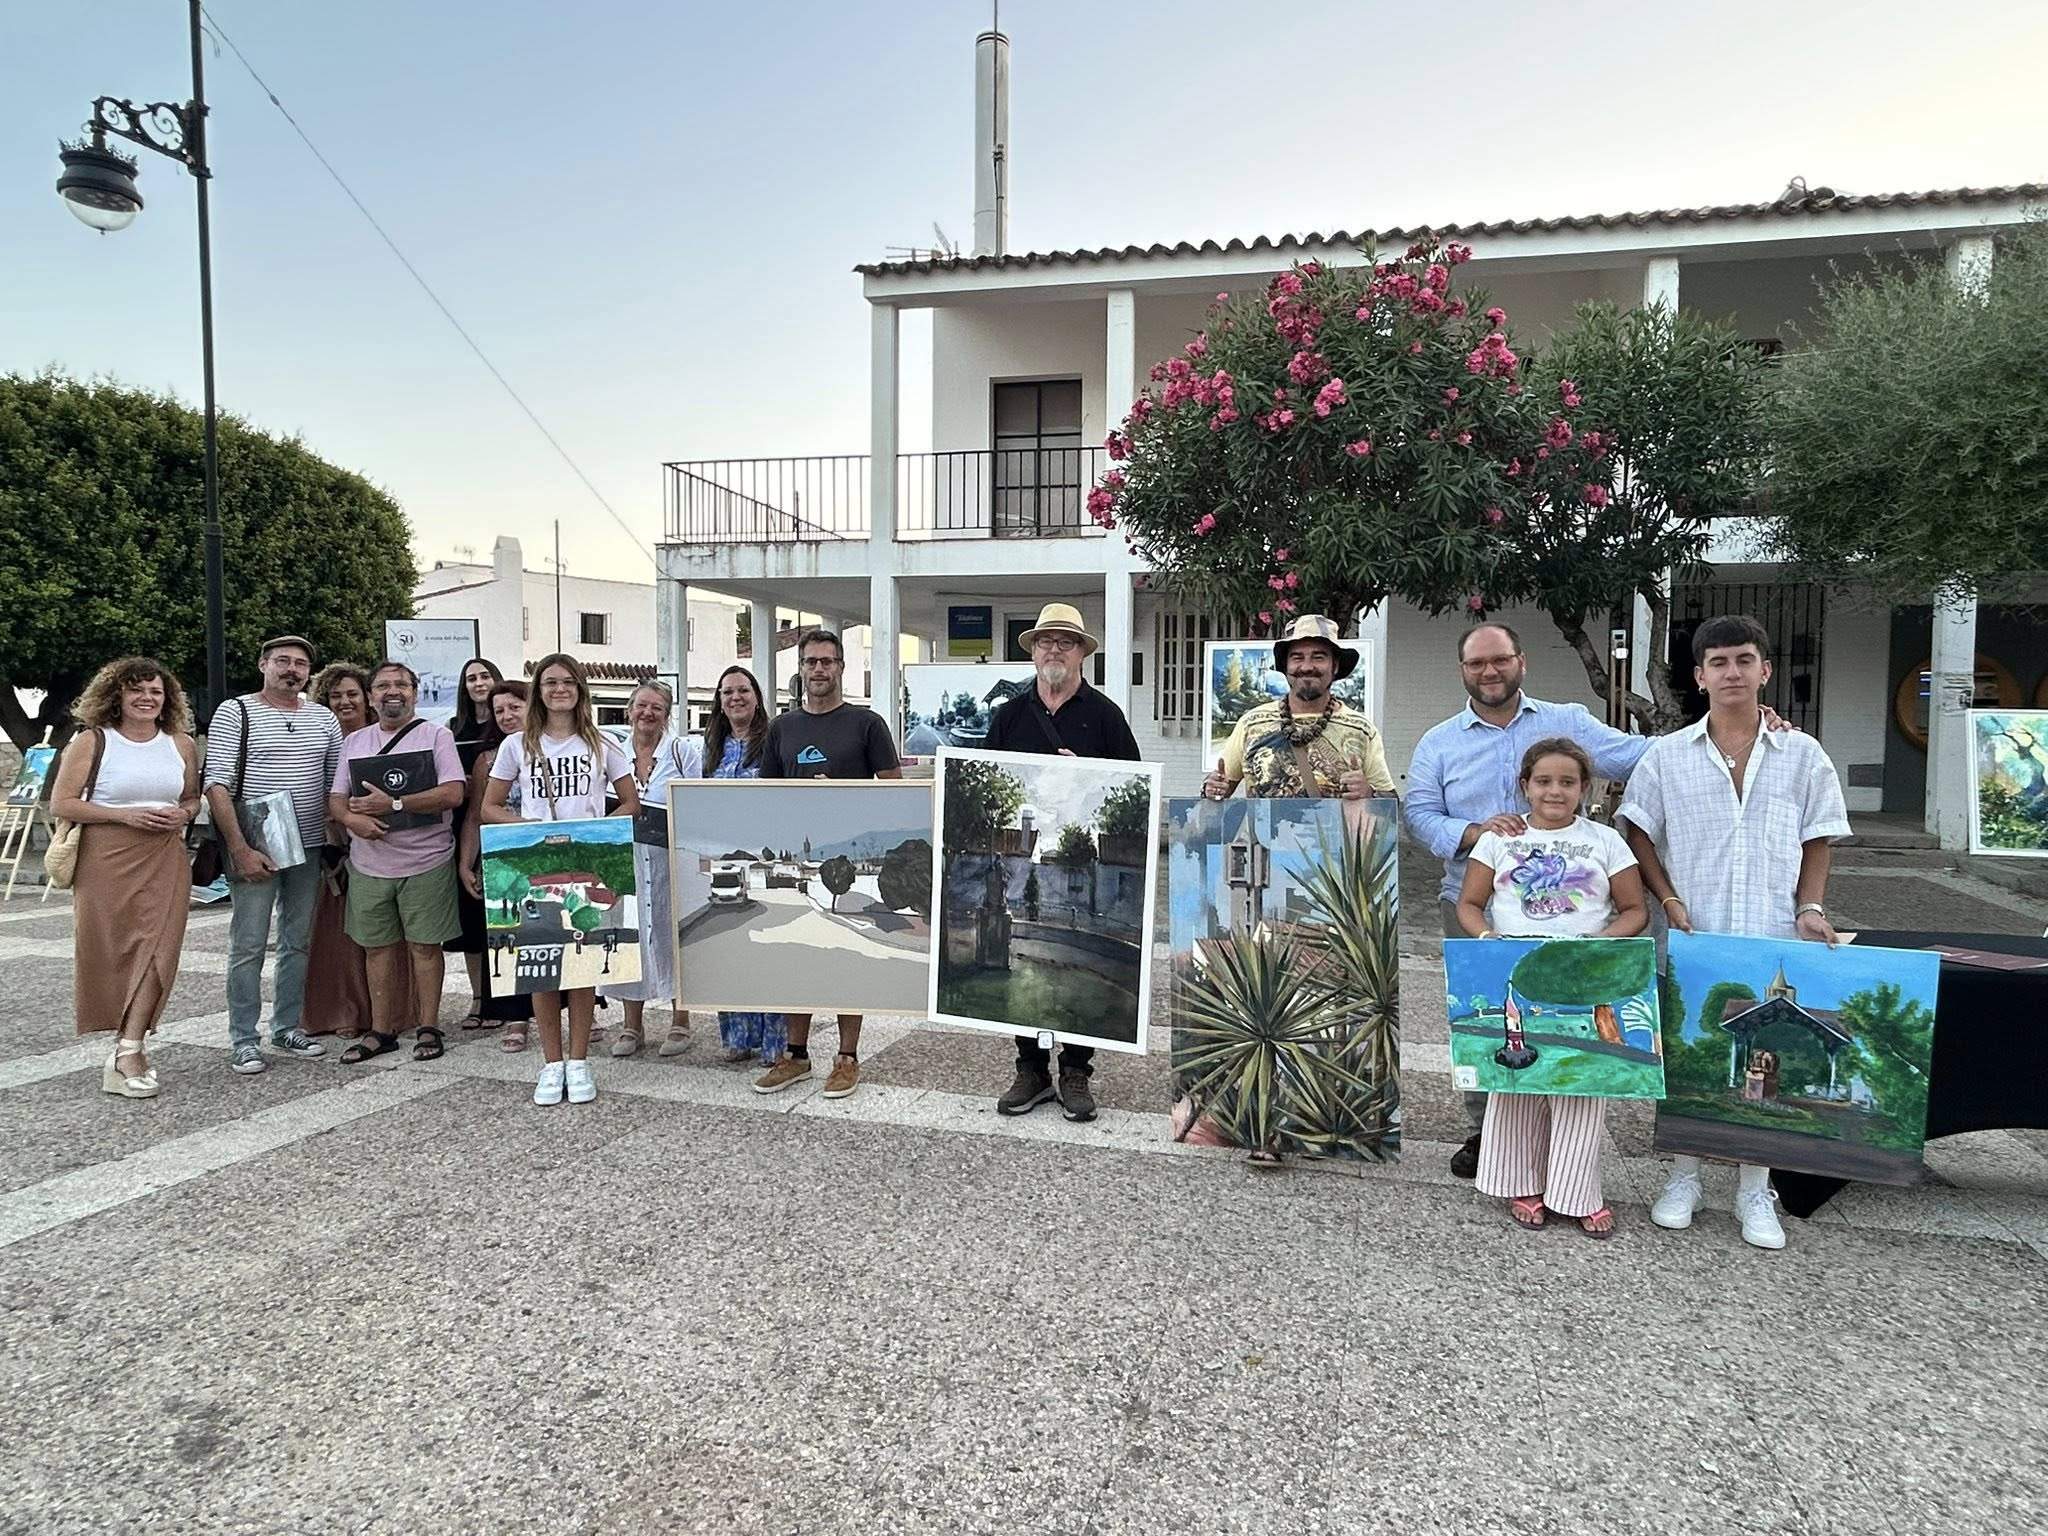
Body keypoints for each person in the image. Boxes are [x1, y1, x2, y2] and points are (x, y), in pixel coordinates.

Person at [1618, 614, 1850, 1251]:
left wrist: (1811, 906)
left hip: (1774, 933)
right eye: (1718, 663)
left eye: (1744, 660)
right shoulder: (1668, 756)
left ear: (1764, 670)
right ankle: (1684, 1174)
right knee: (1693, 1054)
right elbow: (1637, 830)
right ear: (1699, 676)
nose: (1732, 673)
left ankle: (1756, 1185)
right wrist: (1666, 896)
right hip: (1698, 933)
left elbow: (1819, 836)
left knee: (1765, 1061)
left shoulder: (1802, 754)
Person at [1405, 622, 1656, 1180]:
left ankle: (1563, 1130)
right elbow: (1419, 813)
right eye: (1476, 664)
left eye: (1499, 660)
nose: (1489, 672)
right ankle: (1487, 1132)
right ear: (1463, 671)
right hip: (1472, 904)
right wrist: (1479, 834)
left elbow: (1642, 756)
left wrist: (1731, 727)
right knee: (1484, 1018)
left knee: (1567, 1013)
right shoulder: (1440, 742)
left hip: (1571, 916)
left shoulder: (1566, 722)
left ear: (1521, 661)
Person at [1455, 738, 1647, 1238]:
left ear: (1585, 788)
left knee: (1580, 1083)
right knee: (1517, 1084)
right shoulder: (1499, 841)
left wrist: (1595, 946)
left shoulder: (1607, 841)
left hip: (1582, 973)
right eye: (1544, 781)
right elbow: (1469, 903)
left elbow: (1634, 911)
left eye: (1567, 782)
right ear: (1526, 785)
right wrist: (1486, 938)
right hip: (1515, 970)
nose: (1555, 791)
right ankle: (1519, 1181)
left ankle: (1576, 1191)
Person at [983, 603, 1141, 1124]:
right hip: (1020, 855)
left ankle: (1075, 1072)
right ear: (1033, 653)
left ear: (1081, 654)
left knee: (1071, 981)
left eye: (1065, 642)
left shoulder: (1105, 716)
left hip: (1077, 849)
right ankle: (1030, 1069)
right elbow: (988, 784)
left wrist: (1089, 775)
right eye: (1045, 641)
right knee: (1014, 958)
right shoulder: (1008, 716)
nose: (1054, 649)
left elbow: (1133, 789)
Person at [752, 629, 902, 1100]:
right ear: (800, 669)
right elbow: (766, 796)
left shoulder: (867, 724)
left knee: (845, 959)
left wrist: (843, 795)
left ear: (841, 667)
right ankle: (795, 1055)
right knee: (798, 956)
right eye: (811, 661)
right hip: (799, 860)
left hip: (850, 861)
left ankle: (846, 1058)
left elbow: (895, 790)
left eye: (828, 661)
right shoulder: (782, 729)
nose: (819, 669)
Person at [482, 653, 638, 1106]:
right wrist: (531, 829)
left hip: (587, 861)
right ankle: (551, 1062)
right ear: (539, 691)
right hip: (536, 864)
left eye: (568, 681)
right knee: (541, 964)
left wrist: (594, 833)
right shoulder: (518, 745)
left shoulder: (604, 743)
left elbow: (630, 802)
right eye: (550, 682)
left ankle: (579, 1059)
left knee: (583, 965)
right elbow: (489, 807)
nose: (559, 689)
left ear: (580, 689)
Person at [50, 658, 202, 1099]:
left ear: (167, 698)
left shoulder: (180, 744)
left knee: (159, 951)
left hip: (165, 856)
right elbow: (62, 803)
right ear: (116, 695)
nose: (147, 698)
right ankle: (122, 1045)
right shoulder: (92, 741)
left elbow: (192, 797)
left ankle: (130, 1047)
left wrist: (184, 813)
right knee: (115, 950)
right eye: (136, 690)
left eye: (155, 691)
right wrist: (126, 815)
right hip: (106, 860)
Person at [203, 635, 342, 1075]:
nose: (292, 670)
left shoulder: (324, 718)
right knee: (248, 945)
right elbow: (217, 784)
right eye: (282, 661)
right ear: (263, 664)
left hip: (309, 845)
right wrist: (240, 848)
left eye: (301, 663)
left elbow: (334, 784)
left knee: (297, 941)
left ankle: (286, 1025)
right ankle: (244, 1038)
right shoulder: (236, 711)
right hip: (256, 845)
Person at [328, 661, 468, 1064]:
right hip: (370, 865)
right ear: (371, 696)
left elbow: (453, 793)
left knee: (426, 948)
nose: (393, 691)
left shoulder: (436, 736)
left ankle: (429, 1025)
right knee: (377, 950)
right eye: (384, 685)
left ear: (414, 692)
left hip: (427, 860)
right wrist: (353, 819)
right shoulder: (354, 743)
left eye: (401, 684)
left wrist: (394, 804)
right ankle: (382, 1030)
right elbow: (336, 798)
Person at [302, 662, 412, 1038]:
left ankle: (388, 1013)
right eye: (335, 696)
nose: (344, 701)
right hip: (332, 845)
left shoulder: (381, 735)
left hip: (381, 846)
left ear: (366, 698)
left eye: (351, 694)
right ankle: (342, 1011)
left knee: (384, 938)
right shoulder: (316, 734)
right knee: (337, 940)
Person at [600, 681, 702, 1058]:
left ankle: (681, 1020)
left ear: (667, 714)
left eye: (657, 708)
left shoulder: (682, 751)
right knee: (627, 931)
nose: (647, 713)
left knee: (674, 932)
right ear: (629, 710)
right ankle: (632, 1025)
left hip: (669, 856)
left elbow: (695, 801)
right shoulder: (610, 753)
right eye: (641, 705)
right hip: (622, 856)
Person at [1201, 614, 1396, 803]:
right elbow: (1220, 786)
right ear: (1285, 666)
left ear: (1335, 666)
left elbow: (1391, 802)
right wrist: (1211, 788)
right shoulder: (1251, 724)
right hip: (1265, 837)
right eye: (1297, 657)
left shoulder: (1361, 729)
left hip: (1333, 837)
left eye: (1318, 657)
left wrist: (1370, 793)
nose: (1307, 666)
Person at [702, 665, 786, 1067]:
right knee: (729, 947)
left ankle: (774, 1042)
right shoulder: (710, 747)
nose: (735, 698)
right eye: (727, 693)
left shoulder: (775, 740)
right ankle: (738, 1036)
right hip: (721, 860)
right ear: (719, 702)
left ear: (757, 696)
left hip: (762, 858)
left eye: (743, 690)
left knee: (767, 950)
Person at [458, 680, 537, 1050]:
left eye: (514, 707)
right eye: (499, 710)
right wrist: (465, 862)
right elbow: (476, 815)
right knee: (510, 941)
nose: (506, 716)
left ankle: (583, 1012)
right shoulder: (487, 759)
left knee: (563, 932)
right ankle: (516, 1017)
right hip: (503, 857)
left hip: (548, 855)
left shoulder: (553, 747)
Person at [445, 656, 506, 1025]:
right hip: (465, 824)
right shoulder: (453, 730)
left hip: (502, 824)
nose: (479, 683)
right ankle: (478, 997)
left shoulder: (507, 729)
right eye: (471, 678)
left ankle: (504, 1001)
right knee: (471, 918)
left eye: (485, 676)